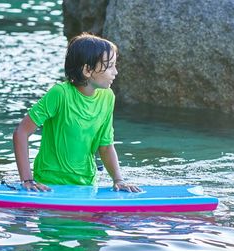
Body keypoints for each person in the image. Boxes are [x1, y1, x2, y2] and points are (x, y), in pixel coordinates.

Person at [13, 33, 140, 193]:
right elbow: (21, 132)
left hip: (86, 185)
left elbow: (106, 145)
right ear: (87, 70)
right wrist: (27, 180)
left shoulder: (107, 97)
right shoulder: (60, 94)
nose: (115, 72)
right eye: (109, 66)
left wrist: (118, 180)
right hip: (49, 184)